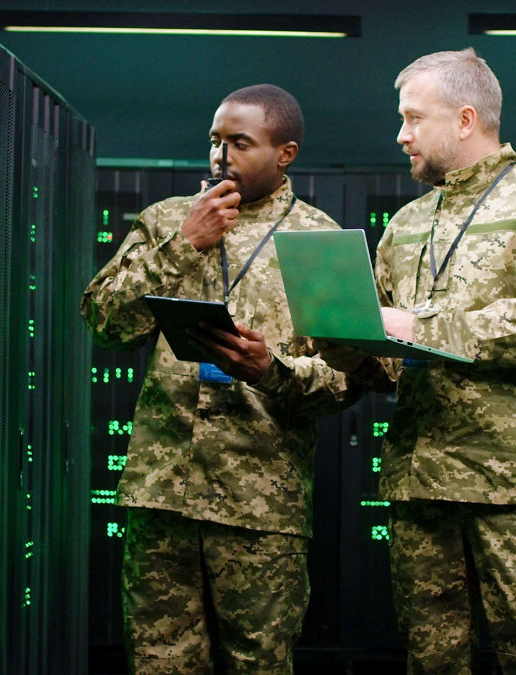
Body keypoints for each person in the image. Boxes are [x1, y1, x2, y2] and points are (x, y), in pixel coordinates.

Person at [326, 49, 516, 673]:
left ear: (466, 119)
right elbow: (391, 355)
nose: (401, 136)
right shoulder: (405, 225)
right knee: (433, 663)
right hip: (420, 486)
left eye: (413, 118)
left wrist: (418, 325)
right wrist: (346, 345)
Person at [81, 84, 358, 674]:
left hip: (259, 506)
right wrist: (184, 244)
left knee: (259, 664)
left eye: (239, 143)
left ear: (285, 153)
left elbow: (350, 378)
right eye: (214, 141)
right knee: (158, 664)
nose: (220, 158)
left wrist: (271, 370)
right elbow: (105, 323)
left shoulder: (318, 241)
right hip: (162, 495)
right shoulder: (164, 221)